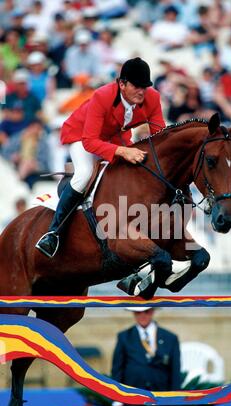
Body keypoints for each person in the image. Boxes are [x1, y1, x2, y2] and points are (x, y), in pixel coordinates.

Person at [35, 57, 166, 258]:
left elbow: (160, 136)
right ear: (122, 84)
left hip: (115, 138)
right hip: (81, 135)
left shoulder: (153, 98)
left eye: (145, 87)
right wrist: (123, 151)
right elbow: (90, 141)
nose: (142, 91)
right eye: (137, 86)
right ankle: (53, 233)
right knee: (84, 174)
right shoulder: (102, 96)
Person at [111, 307, 181, 406]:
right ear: (133, 313)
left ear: (153, 311)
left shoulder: (170, 338)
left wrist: (175, 401)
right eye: (138, 312)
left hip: (161, 400)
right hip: (130, 400)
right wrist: (117, 401)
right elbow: (117, 370)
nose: (142, 315)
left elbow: (175, 371)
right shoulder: (124, 337)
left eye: (147, 311)